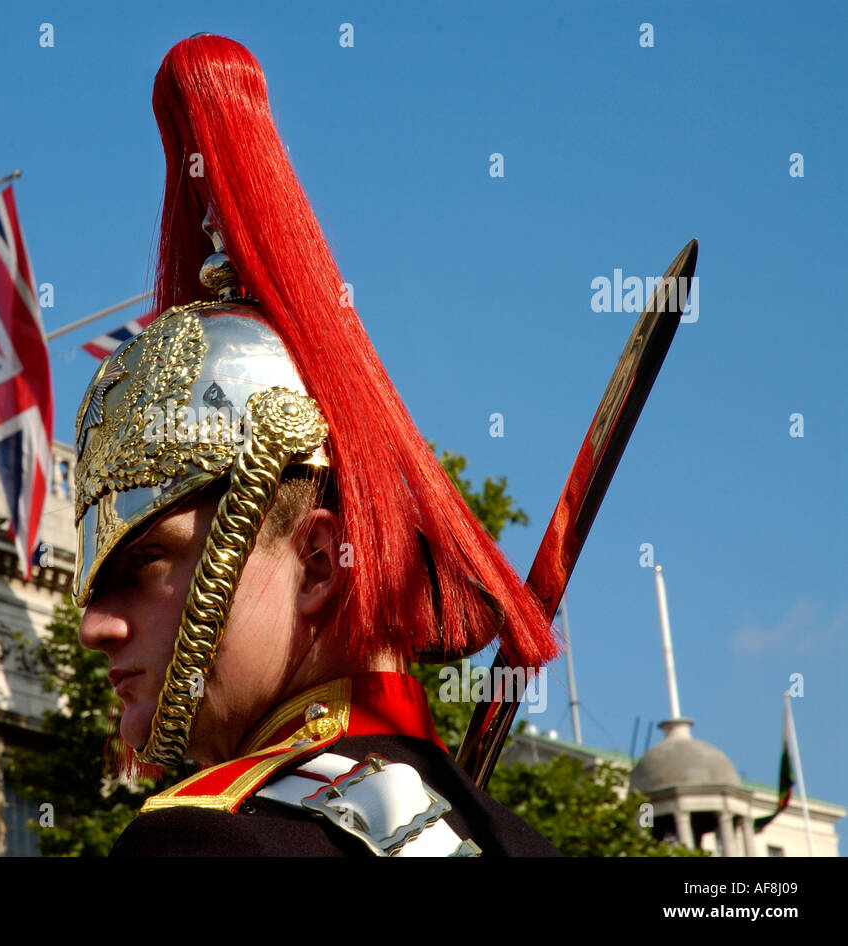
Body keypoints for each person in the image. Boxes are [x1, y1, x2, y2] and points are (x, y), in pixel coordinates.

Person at [72, 34, 562, 856]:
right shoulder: (517, 844)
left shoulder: (205, 848)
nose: (96, 626)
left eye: (147, 564)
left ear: (322, 565)